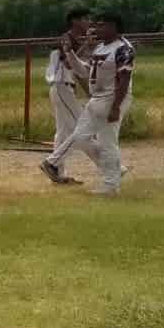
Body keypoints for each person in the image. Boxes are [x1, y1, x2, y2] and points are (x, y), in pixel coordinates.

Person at [40, 10, 134, 195]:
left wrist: (116, 106)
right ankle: (53, 163)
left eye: (100, 24)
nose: (95, 27)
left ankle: (110, 185)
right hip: (95, 99)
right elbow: (84, 71)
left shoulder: (123, 48)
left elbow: (124, 78)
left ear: (113, 27)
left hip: (111, 98)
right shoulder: (99, 48)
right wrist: (70, 53)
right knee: (80, 135)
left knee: (107, 141)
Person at [44, 8, 94, 185]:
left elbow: (78, 71)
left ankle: (58, 173)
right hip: (61, 86)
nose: (89, 22)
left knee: (63, 132)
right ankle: (52, 163)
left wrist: (88, 92)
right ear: (75, 21)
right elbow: (68, 62)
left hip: (64, 87)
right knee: (81, 128)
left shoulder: (74, 41)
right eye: (85, 19)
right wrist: (86, 45)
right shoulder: (66, 38)